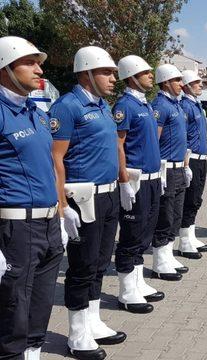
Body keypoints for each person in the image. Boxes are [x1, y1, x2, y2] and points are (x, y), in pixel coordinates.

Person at [50, 46, 125, 359]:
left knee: (99, 262)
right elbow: (55, 157)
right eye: (106, 72)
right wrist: (62, 207)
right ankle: (77, 332)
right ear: (86, 73)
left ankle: (93, 321)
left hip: (108, 195)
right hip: (83, 197)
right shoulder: (67, 107)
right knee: (81, 266)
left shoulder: (103, 105)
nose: (112, 79)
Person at [0, 36, 64, 360]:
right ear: (5, 67)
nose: (39, 68)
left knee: (39, 309)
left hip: (48, 224)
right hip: (17, 229)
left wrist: (60, 211)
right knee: (14, 317)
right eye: (30, 62)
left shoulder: (36, 112)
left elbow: (49, 164)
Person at [112, 55, 165, 314]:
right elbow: (118, 144)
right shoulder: (125, 105)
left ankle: (138, 281)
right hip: (136, 179)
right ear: (132, 76)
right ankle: (125, 290)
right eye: (146, 73)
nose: (150, 77)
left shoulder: (143, 104)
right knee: (132, 235)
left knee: (145, 232)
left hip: (153, 178)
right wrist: (123, 180)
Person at [151, 64, 191, 280]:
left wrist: (185, 166)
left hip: (178, 167)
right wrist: (158, 170)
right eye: (177, 80)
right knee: (164, 216)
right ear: (166, 82)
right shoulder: (160, 105)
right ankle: (159, 260)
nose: (181, 84)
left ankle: (168, 254)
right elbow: (154, 140)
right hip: (166, 168)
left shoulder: (176, 105)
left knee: (176, 214)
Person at [176, 70, 207, 258]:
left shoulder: (196, 105)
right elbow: (183, 138)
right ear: (186, 86)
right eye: (196, 82)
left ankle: (191, 234)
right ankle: (184, 241)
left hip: (201, 158)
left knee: (196, 199)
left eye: (200, 82)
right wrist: (185, 164)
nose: (200, 85)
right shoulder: (185, 106)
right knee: (190, 200)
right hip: (192, 159)